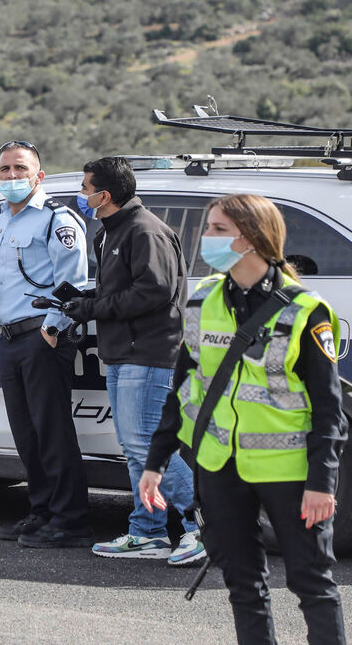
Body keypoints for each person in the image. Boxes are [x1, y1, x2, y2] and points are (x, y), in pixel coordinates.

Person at [139, 194, 347, 644]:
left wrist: (321, 483)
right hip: (219, 466)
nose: (205, 238)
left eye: (216, 230)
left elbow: (329, 408)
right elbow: (183, 389)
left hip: (288, 473)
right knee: (242, 585)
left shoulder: (307, 310)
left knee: (312, 583)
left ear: (250, 239)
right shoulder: (202, 300)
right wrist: (155, 463)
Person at [59, 156, 204, 565]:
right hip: (124, 351)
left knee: (145, 443)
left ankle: (206, 526)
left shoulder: (144, 230)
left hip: (149, 352)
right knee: (135, 447)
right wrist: (84, 301)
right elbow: (125, 290)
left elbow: (154, 292)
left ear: (104, 195)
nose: (82, 195)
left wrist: (92, 309)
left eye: (86, 188)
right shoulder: (112, 232)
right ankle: (148, 532)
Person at [0, 140, 90, 547]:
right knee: (26, 432)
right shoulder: (0, 220)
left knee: (52, 430)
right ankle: (40, 511)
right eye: (5, 170)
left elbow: (73, 281)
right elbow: (14, 276)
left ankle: (69, 519)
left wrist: (52, 329)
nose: (12, 176)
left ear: (39, 176)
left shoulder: (58, 219)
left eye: (21, 169)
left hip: (43, 335)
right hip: (9, 335)